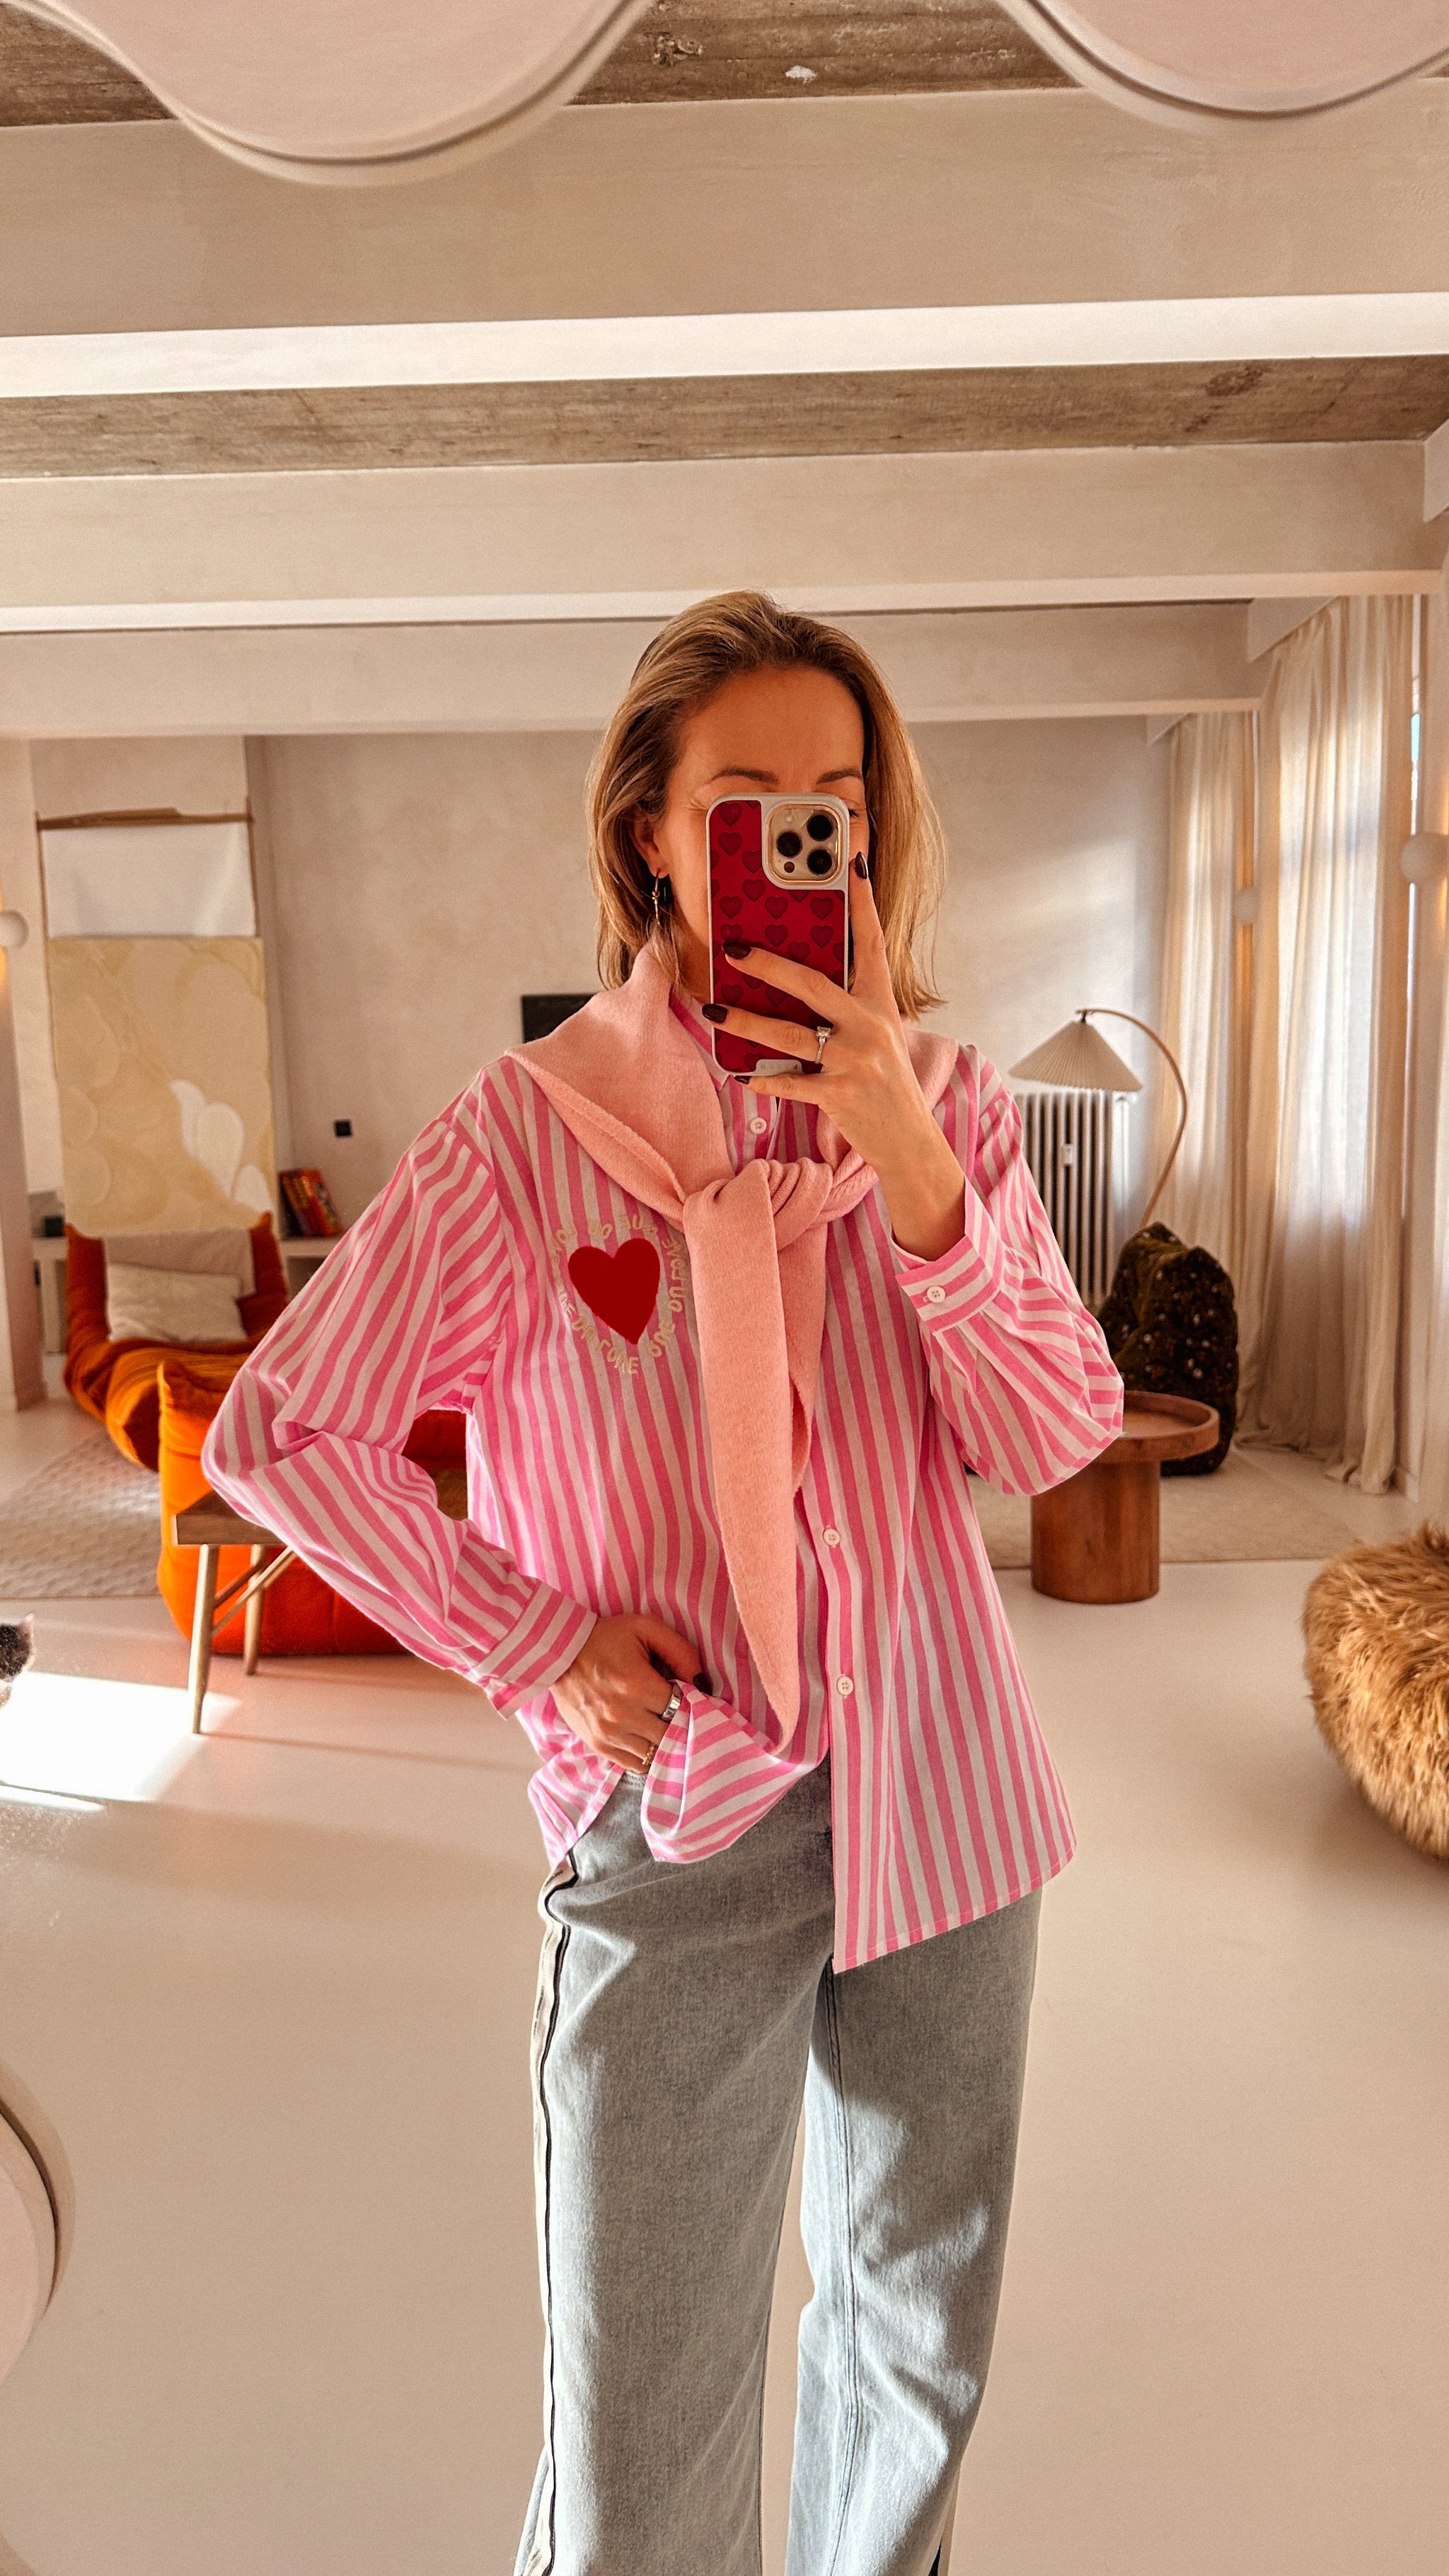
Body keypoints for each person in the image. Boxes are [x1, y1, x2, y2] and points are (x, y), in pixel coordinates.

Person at [204, 591, 1123, 2576]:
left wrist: (906, 1155)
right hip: (682, 1808)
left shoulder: (947, 1110)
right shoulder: (520, 1147)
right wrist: (535, 1641)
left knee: (917, 2351)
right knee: (640, 2424)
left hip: (949, 1789)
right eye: (746, 801)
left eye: (834, 804)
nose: (801, 841)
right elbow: (281, 1429)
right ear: (649, 830)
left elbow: (1058, 1432)